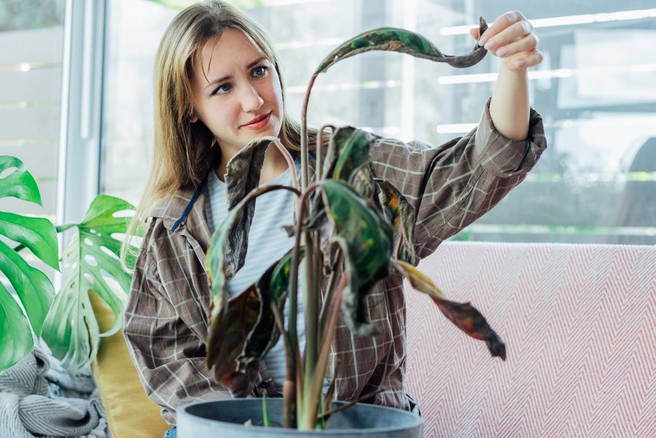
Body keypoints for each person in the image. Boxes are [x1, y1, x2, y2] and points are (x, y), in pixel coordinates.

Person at [122, 1, 547, 435]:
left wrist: (513, 67)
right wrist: (252, 427)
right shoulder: (173, 229)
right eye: (222, 88)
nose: (253, 99)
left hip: (356, 426)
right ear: (189, 107)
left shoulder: (350, 168)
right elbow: (168, 356)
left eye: (258, 71)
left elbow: (477, 169)